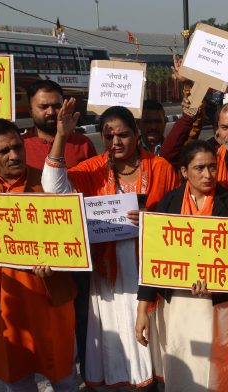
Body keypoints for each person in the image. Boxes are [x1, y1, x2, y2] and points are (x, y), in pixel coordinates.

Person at [42, 100, 179, 388]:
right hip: (108, 274)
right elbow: (53, 188)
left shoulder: (161, 168)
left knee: (155, 344)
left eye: (123, 135)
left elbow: (179, 217)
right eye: (108, 136)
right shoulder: (91, 169)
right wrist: (62, 136)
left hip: (149, 271)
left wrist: (150, 221)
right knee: (118, 337)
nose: (115, 141)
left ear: (136, 133)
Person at [0, 118, 78, 391]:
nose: (14, 155)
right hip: (5, 302)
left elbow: (72, 240)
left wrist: (57, 264)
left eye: (17, 147)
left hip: (49, 295)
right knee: (16, 378)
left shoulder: (48, 184)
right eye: (3, 151)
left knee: (63, 376)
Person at [135, 140, 228, 392]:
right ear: (184, 171)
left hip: (218, 303)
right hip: (178, 304)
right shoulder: (168, 203)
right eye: (199, 168)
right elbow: (153, 257)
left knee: (217, 363)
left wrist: (214, 284)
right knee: (181, 358)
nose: (207, 175)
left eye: (212, 167)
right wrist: (142, 310)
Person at [23, 80, 97, 170]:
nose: (51, 112)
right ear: (30, 110)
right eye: (43, 107)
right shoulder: (20, 146)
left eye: (57, 106)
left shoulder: (83, 144)